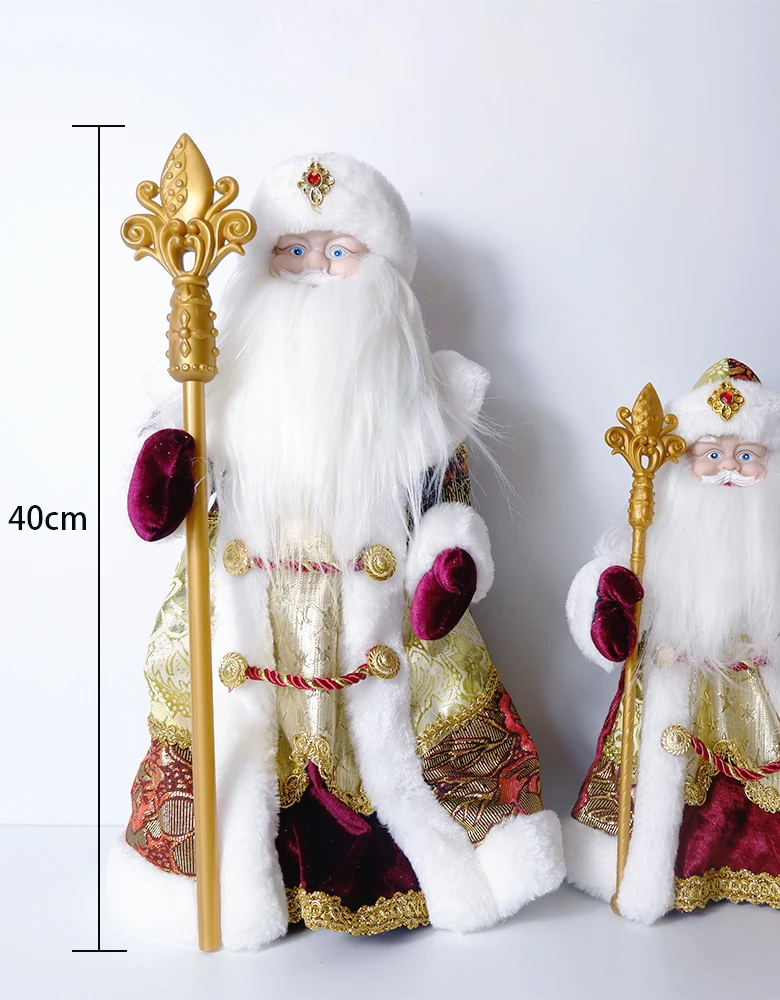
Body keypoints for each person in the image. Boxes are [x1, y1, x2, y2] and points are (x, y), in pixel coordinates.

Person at [110, 151, 564, 949]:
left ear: (380, 269)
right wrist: (168, 467)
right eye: (292, 250)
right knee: (237, 743)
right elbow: (172, 502)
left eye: (338, 251)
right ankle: (240, 885)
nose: (313, 268)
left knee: (412, 733)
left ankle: (422, 869)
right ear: (261, 263)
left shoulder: (424, 400)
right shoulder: (216, 386)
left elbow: (445, 504)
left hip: (375, 623)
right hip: (254, 620)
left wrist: (449, 565)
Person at [563, 358, 780, 921]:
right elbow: (607, 595)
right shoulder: (654, 538)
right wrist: (608, 605)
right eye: (710, 454)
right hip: (676, 688)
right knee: (664, 795)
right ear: (684, 461)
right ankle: (663, 872)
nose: (727, 469)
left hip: (766, 699)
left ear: (775, 466)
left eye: (746, 456)